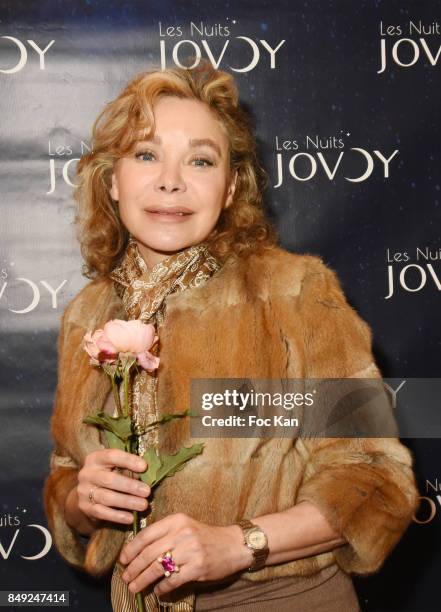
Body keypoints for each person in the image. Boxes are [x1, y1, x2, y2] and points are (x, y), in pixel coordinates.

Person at [43, 59, 419, 612]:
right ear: (112, 180)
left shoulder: (294, 293)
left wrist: (238, 543)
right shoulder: (87, 313)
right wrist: (81, 502)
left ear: (229, 188)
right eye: (146, 154)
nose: (171, 179)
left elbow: (376, 481)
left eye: (200, 159)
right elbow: (65, 474)